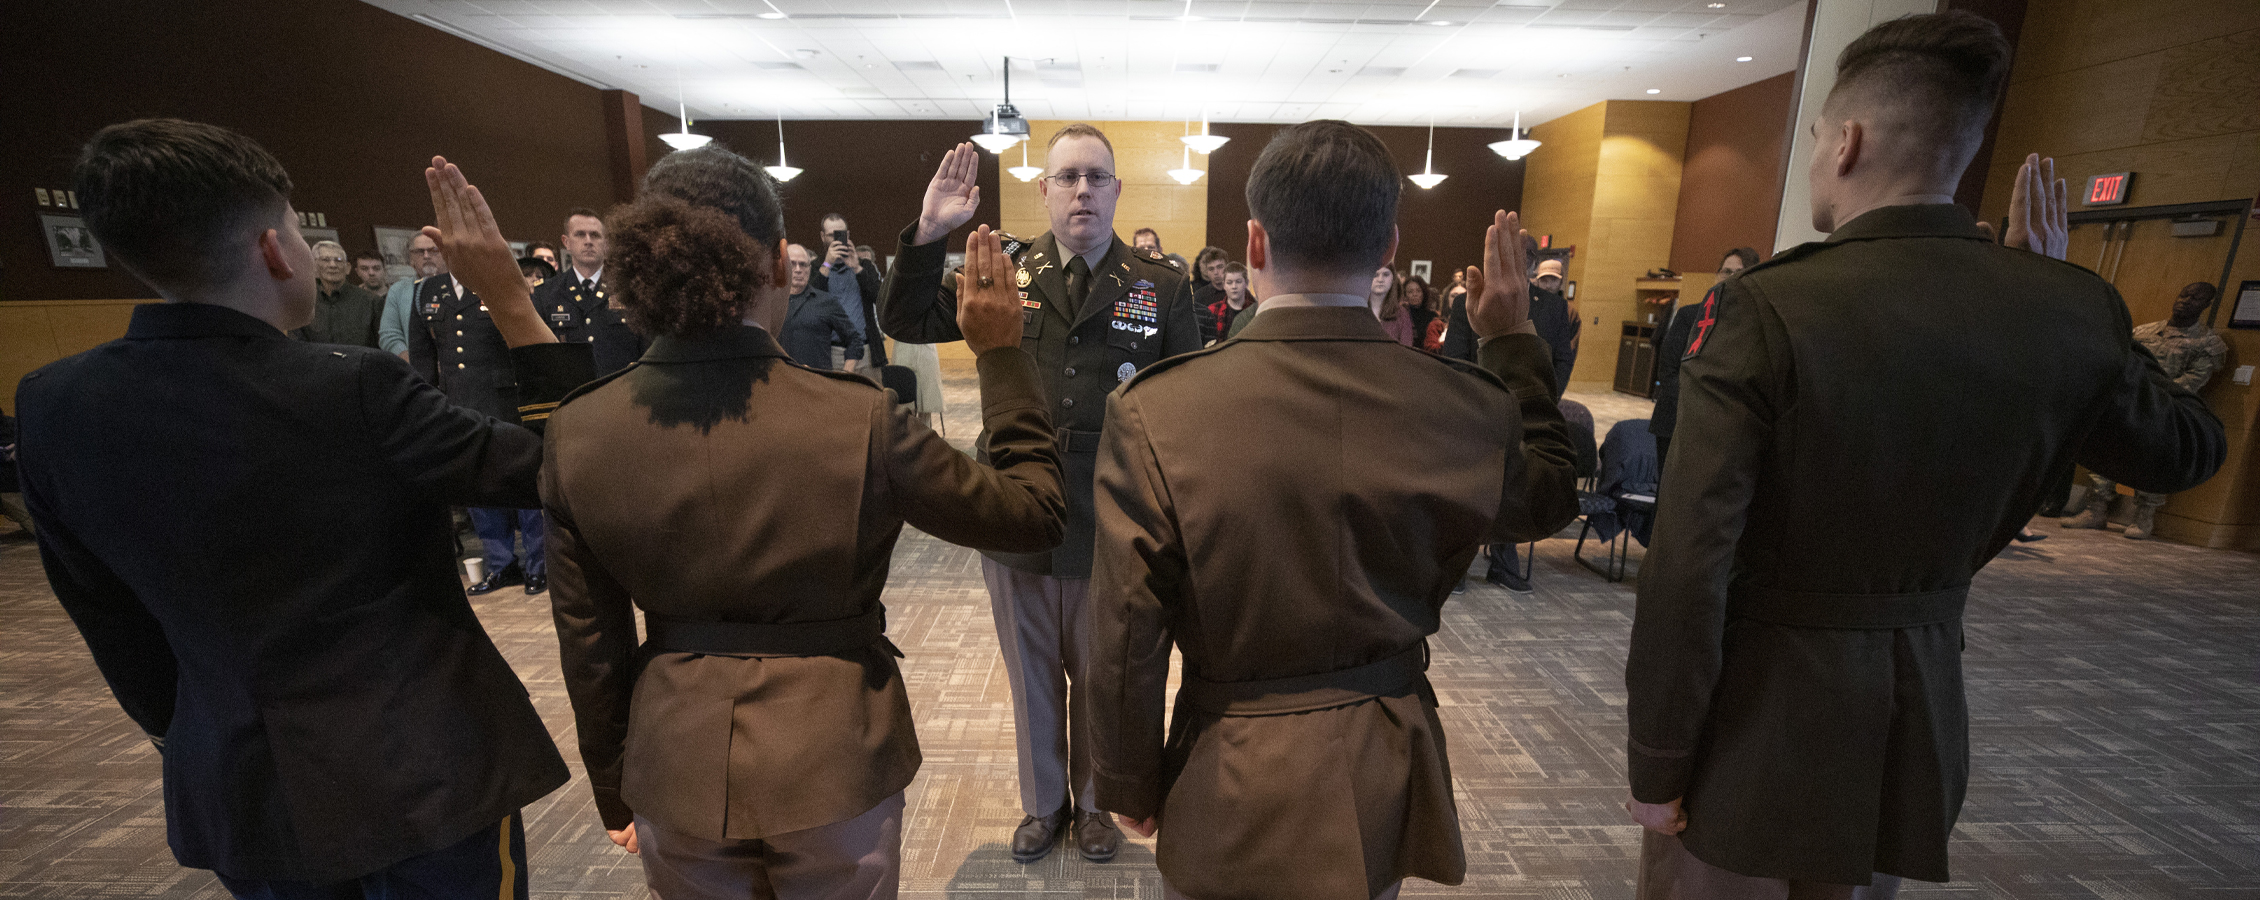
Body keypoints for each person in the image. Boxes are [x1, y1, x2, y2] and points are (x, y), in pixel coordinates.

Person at [1623, 13, 2226, 899]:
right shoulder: (2063, 310)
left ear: (1848, 142)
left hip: (1758, 715)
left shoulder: (1771, 308)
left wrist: (1657, 760)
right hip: (1918, 707)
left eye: (1819, 133)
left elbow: (1689, 564)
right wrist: (2065, 302)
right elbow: (2187, 450)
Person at [15, 118, 593, 898]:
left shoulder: (52, 404)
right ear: (274, 248)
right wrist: (512, 299)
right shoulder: (351, 387)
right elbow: (567, 470)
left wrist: (187, 733)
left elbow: (105, 613)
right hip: (420, 770)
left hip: (236, 776)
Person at [542, 144, 1065, 900]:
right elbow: (1032, 514)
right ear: (779, 259)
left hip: (673, 763)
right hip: (836, 760)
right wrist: (1003, 359)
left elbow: (590, 642)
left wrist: (614, 786)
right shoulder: (858, 418)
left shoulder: (579, 429)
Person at [1086, 120, 1580, 900]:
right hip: (1385, 755)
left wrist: (1126, 777)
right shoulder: (1464, 403)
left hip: (1231, 761)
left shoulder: (1158, 409)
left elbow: (1124, 625)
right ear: (1388, 247)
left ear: (1253, 243)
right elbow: (1546, 500)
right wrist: (1514, 341)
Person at [880, 125, 1201, 864]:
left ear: (1117, 191)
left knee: (1100, 678)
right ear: (1045, 190)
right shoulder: (1002, 272)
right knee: (1030, 680)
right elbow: (902, 319)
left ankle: (1093, 806)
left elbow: (1185, 405)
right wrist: (929, 232)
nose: (1082, 190)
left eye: (1096, 177)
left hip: (1112, 521)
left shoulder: (1160, 286)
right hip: (1016, 515)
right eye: (1067, 178)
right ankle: (1043, 805)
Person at [411, 224, 549, 596]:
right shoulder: (428, 292)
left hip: (507, 400)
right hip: (458, 402)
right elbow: (424, 355)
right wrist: (426, 402)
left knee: (523, 485)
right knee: (476, 490)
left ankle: (539, 566)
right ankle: (501, 565)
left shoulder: (500, 284)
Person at [2060, 280, 2230, 539]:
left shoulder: (2208, 343)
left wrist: (2156, 396)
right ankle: (2095, 510)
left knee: (2155, 461)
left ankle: (2143, 518)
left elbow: (2194, 381)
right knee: (2108, 454)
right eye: (2184, 294)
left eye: (2195, 298)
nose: (2185, 300)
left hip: (2167, 411)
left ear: (2207, 305)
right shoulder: (2143, 332)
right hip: (2130, 404)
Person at [1649, 247, 1758, 468]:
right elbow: (1669, 369)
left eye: (1738, 271)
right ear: (1717, 275)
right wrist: (1695, 408)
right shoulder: (1690, 316)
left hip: (1722, 430)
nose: (1730, 277)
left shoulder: (1752, 325)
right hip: (1677, 420)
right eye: (1726, 271)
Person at [539, 208, 648, 374]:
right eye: (580, 234)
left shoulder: (629, 287)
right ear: (566, 242)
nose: (588, 241)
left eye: (595, 235)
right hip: (572, 394)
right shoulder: (547, 293)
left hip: (620, 390)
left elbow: (646, 349)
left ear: (605, 243)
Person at [813, 213, 886, 371]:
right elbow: (811, 303)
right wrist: (827, 264)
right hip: (831, 351)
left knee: (870, 395)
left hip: (866, 349)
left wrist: (857, 268)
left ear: (848, 235)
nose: (836, 240)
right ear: (822, 237)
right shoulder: (814, 268)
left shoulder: (865, 266)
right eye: (832, 235)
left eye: (841, 234)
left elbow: (880, 298)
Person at [780, 243, 865, 371]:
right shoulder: (772, 302)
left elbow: (855, 341)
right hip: (780, 381)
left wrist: (845, 373)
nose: (798, 269)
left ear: (809, 268)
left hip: (818, 382)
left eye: (803, 264)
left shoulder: (826, 301)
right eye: (792, 264)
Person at [292, 239, 383, 348]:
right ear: (314, 266)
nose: (333, 265)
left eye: (339, 260)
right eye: (325, 260)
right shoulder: (303, 302)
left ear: (348, 268)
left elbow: (383, 344)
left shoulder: (372, 302)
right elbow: (297, 345)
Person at [378, 230, 445, 358]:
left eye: (433, 250)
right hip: (415, 368)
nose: (426, 256)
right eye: (419, 252)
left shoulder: (459, 285)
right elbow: (389, 335)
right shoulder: (398, 290)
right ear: (410, 258)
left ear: (444, 253)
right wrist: (414, 365)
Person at [1527, 257, 1578, 397]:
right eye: (1544, 280)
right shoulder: (1528, 303)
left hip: (1551, 381)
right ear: (1537, 280)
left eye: (1553, 280)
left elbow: (1568, 354)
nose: (1548, 285)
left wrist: (1555, 393)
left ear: (1561, 281)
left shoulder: (1569, 311)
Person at [1373, 265, 1420, 347]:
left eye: (1385, 275)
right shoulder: (1359, 310)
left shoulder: (1401, 314)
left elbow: (1406, 350)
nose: (1380, 279)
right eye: (1375, 275)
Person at [1207, 261, 1254, 339]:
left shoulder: (1256, 310)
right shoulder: (1212, 311)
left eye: (1238, 282)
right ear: (1224, 285)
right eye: (1229, 282)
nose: (1234, 286)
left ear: (1246, 283)